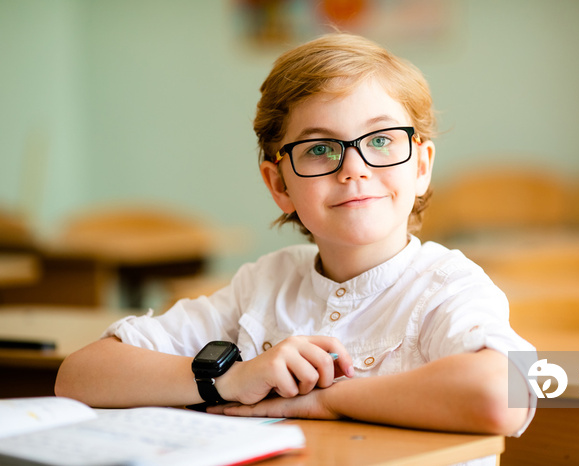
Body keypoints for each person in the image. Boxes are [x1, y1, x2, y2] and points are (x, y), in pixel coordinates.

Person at [55, 32, 536, 449]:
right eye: (320, 148)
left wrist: (326, 400)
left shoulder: (446, 286)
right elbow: (79, 377)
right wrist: (231, 379)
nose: (354, 168)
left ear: (422, 166)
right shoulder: (263, 285)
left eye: (382, 140)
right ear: (280, 185)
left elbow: (502, 395)